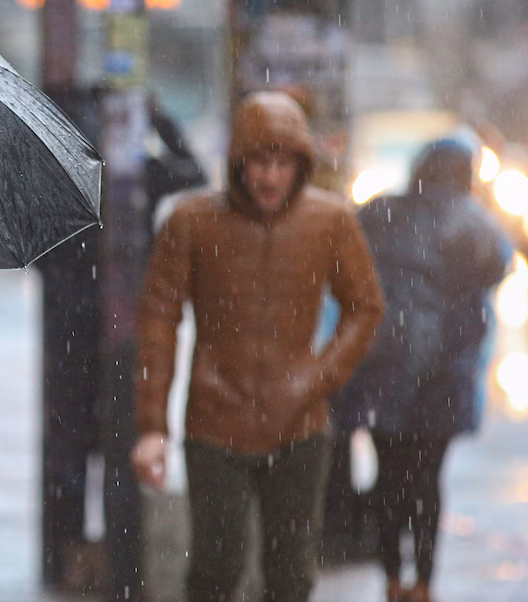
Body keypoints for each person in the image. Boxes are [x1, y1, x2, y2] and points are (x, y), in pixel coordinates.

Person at [130, 90, 385, 602]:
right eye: (258, 162)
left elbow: (365, 306)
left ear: (300, 164)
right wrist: (152, 427)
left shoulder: (330, 222)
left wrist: (320, 376)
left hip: (301, 424)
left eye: (283, 162)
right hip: (215, 420)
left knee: (291, 574)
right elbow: (159, 319)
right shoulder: (193, 222)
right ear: (238, 163)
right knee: (214, 571)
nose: (270, 177)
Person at [333, 137, 512, 602]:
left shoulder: (379, 214)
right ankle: (424, 583)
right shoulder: (472, 222)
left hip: (380, 370)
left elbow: (344, 268)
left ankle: (392, 578)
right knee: (427, 482)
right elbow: (498, 264)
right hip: (441, 379)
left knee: (389, 478)